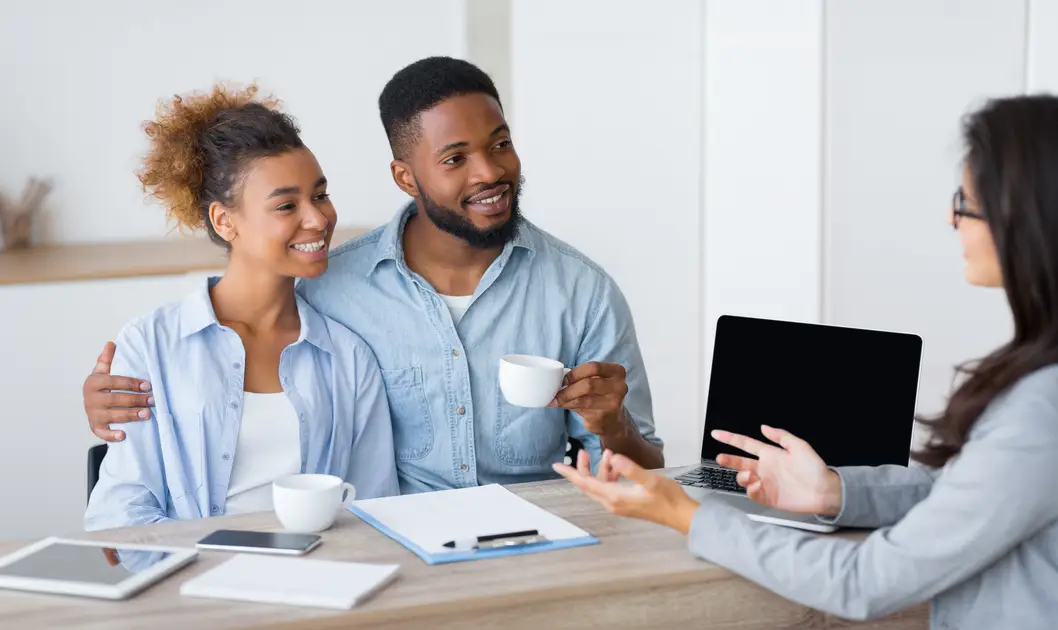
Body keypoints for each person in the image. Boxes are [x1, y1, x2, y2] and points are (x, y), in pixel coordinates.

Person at [553, 94, 1058, 629]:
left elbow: (865, 582)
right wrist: (834, 490)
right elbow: (967, 493)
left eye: (966, 202)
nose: (951, 219)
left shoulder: (1050, 404)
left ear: (1031, 222)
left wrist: (683, 512)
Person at [82, 57, 664, 494]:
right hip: (393, 557)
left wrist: (612, 426)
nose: (490, 172)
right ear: (405, 177)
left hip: (536, 551)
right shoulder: (327, 288)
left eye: (501, 145)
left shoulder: (582, 292)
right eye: (455, 158)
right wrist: (117, 400)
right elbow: (216, 353)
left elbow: (643, 474)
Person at [84, 84, 399, 529]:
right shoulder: (151, 344)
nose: (318, 218)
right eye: (287, 204)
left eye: (321, 195)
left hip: (322, 580)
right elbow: (119, 513)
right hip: (192, 580)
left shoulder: (348, 356)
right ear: (224, 220)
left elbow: (374, 506)